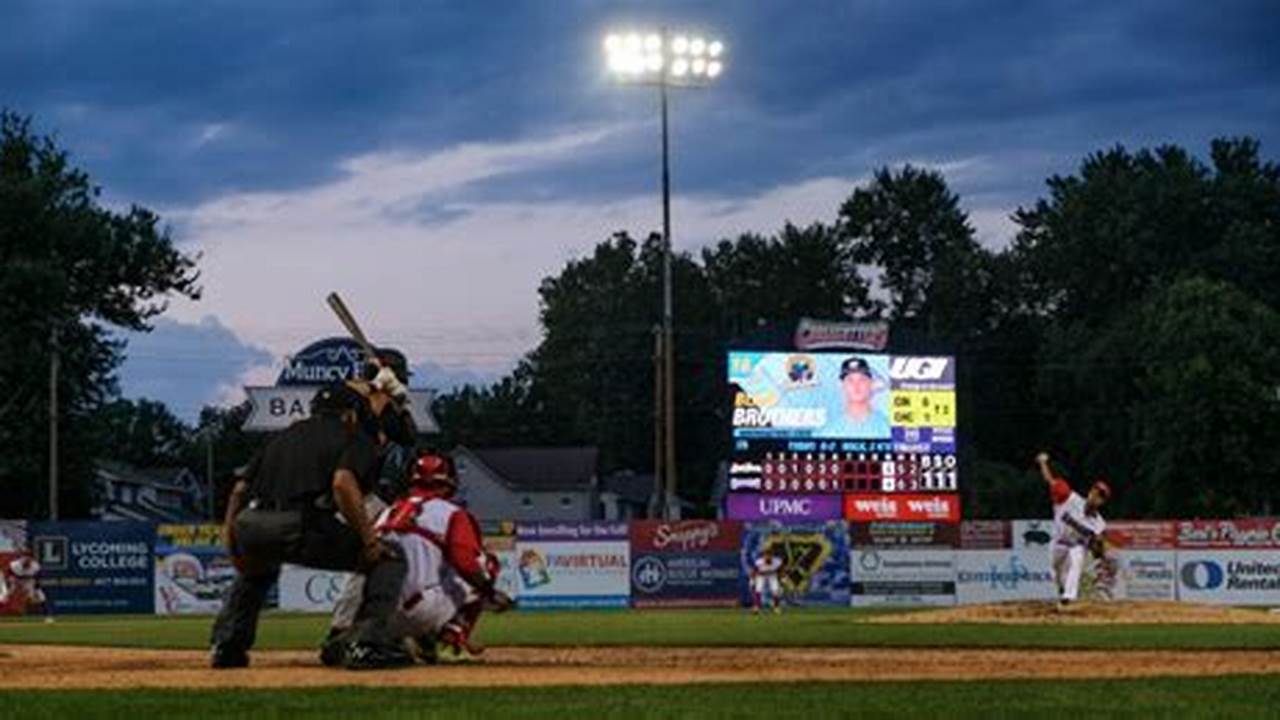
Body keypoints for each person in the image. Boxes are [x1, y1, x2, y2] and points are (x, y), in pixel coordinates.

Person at [209, 380, 410, 670]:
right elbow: (343, 483)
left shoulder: (283, 436)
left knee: (256, 572)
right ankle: (366, 644)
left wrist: (233, 543)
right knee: (388, 559)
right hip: (297, 523)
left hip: (249, 524)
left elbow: (239, 491)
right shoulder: (355, 436)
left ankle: (227, 646)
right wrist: (369, 542)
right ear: (351, 414)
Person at [322, 451, 514, 666]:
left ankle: (388, 640)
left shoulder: (388, 512)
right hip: (419, 612)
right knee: (483, 564)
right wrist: (489, 592)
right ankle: (451, 643)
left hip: (374, 616)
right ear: (450, 481)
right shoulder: (452, 513)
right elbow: (465, 562)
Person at [1035, 451, 1112, 609]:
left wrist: (1099, 549)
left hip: (1076, 545)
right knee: (1054, 572)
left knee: (1076, 560)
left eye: (1100, 497)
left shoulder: (1099, 524)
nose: (1096, 497)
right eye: (1095, 492)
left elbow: (1099, 550)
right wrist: (1043, 463)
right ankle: (1062, 588)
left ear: (1102, 502)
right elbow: (1050, 481)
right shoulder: (1069, 498)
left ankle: (1068, 598)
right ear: (1090, 492)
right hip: (1058, 542)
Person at [821, 357, 891, 438]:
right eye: (850, 380)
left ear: (871, 384)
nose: (856, 386)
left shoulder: (886, 428)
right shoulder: (827, 431)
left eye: (862, 380)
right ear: (842, 385)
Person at [750, 547, 784, 615]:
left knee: (775, 589)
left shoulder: (777, 561)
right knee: (758, 589)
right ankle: (757, 607)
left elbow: (781, 570)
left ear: (772, 555)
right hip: (761, 576)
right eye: (766, 555)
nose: (768, 557)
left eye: (769, 555)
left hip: (772, 575)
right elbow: (754, 571)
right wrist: (752, 580)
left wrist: (783, 578)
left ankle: (776, 607)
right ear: (763, 556)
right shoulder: (759, 562)